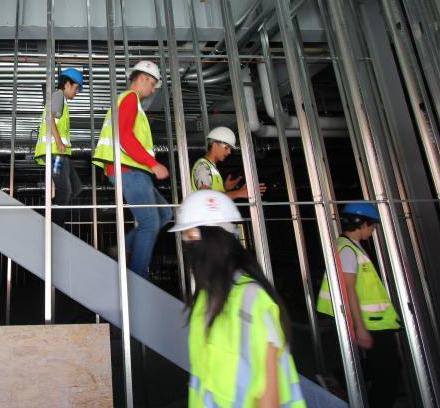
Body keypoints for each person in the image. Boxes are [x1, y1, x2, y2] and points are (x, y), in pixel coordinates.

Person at [170, 190, 305, 407]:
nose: (187, 249)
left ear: (212, 241)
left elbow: (270, 397)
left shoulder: (251, 297)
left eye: (190, 237)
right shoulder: (207, 298)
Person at [317, 203, 402, 408]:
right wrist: (360, 327)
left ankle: (336, 378)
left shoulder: (350, 247)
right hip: (371, 322)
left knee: (383, 366)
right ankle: (338, 378)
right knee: (389, 371)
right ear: (362, 224)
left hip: (374, 321)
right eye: (372, 226)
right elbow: (349, 289)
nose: (373, 230)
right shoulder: (347, 250)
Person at [92, 60, 171, 278]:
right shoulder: (130, 99)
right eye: (153, 83)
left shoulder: (130, 102)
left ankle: (124, 247)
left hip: (134, 170)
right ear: (143, 78)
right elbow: (124, 135)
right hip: (129, 170)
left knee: (165, 213)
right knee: (149, 222)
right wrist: (152, 163)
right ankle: (138, 276)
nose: (153, 89)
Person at [34, 68, 84, 226]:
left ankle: (52, 207)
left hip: (61, 156)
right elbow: (50, 119)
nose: (77, 92)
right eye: (76, 88)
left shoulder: (63, 102)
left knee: (76, 187)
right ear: (67, 84)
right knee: (67, 190)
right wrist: (59, 141)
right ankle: (55, 226)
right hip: (56, 154)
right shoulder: (58, 96)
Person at [191, 126, 266, 199]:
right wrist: (238, 193)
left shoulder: (210, 166)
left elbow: (212, 195)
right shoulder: (203, 167)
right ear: (214, 145)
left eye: (230, 149)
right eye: (226, 148)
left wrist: (225, 188)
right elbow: (206, 198)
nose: (229, 152)